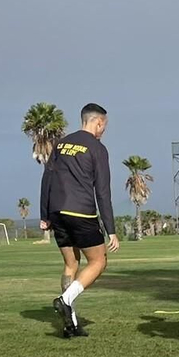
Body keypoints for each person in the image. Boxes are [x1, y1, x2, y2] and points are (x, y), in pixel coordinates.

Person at [41, 103, 120, 338]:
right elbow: (102, 192)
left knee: (71, 264)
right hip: (81, 213)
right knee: (98, 262)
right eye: (104, 125)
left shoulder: (61, 144)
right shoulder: (97, 148)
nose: (104, 130)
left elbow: (47, 179)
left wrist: (45, 214)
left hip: (57, 211)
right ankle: (65, 300)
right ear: (98, 122)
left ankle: (71, 323)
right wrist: (111, 229)